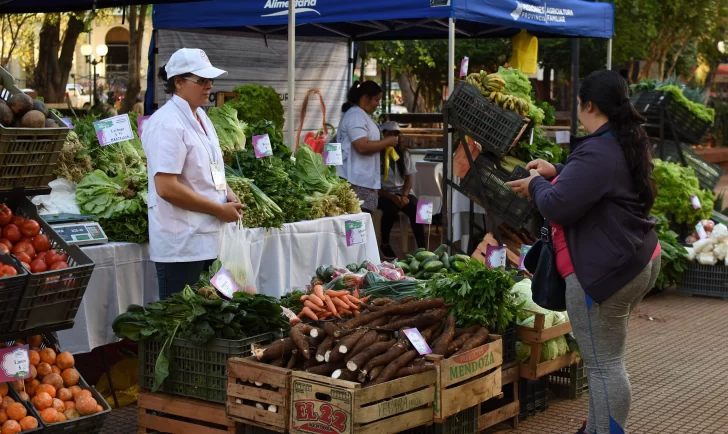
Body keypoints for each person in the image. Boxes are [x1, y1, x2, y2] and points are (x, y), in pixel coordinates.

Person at [506, 70, 661, 434]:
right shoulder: (622, 140)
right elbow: (596, 182)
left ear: (588, 105)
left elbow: (558, 206)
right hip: (636, 258)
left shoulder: (599, 148)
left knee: (603, 364)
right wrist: (557, 170)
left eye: (577, 103)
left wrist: (537, 183)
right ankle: (596, 428)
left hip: (605, 271)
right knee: (608, 361)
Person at [142, 48, 243, 299]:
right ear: (178, 82)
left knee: (212, 318)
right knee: (182, 322)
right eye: (201, 80)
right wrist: (218, 209)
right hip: (182, 245)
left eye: (211, 80)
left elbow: (212, 167)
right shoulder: (167, 123)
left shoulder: (201, 118)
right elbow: (166, 187)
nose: (209, 85)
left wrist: (227, 193)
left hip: (208, 239)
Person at [336, 81, 399, 212]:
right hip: (356, 182)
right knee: (357, 225)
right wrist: (387, 141)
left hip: (363, 181)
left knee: (363, 224)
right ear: (365, 98)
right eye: (376, 100)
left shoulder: (361, 115)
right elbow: (362, 146)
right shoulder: (355, 116)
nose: (378, 104)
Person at [377, 121, 426, 259]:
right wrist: (392, 197)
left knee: (418, 207)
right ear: (383, 135)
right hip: (384, 194)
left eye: (396, 134)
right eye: (390, 134)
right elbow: (374, 187)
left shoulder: (404, 154)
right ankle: (385, 243)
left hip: (402, 192)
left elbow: (409, 179)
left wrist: (404, 196)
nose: (394, 137)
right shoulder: (376, 156)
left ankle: (422, 248)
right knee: (390, 210)